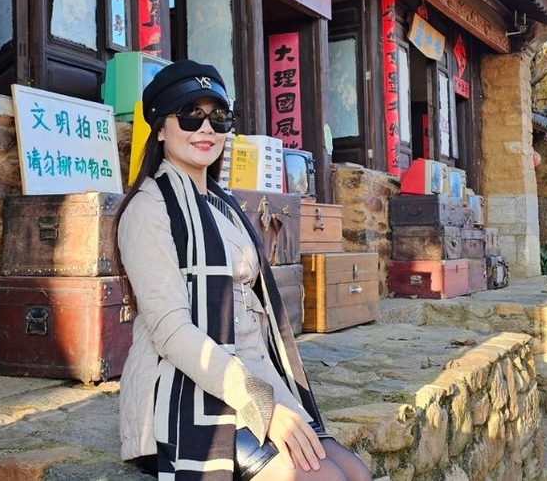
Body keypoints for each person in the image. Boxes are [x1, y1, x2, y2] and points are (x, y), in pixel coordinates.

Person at [112, 60, 371, 481]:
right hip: (184, 392)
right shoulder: (148, 209)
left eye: (218, 117)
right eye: (190, 115)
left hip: (250, 378)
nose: (206, 128)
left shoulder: (225, 205)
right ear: (160, 129)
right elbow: (172, 333)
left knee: (354, 473)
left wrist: (273, 399)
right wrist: (262, 407)